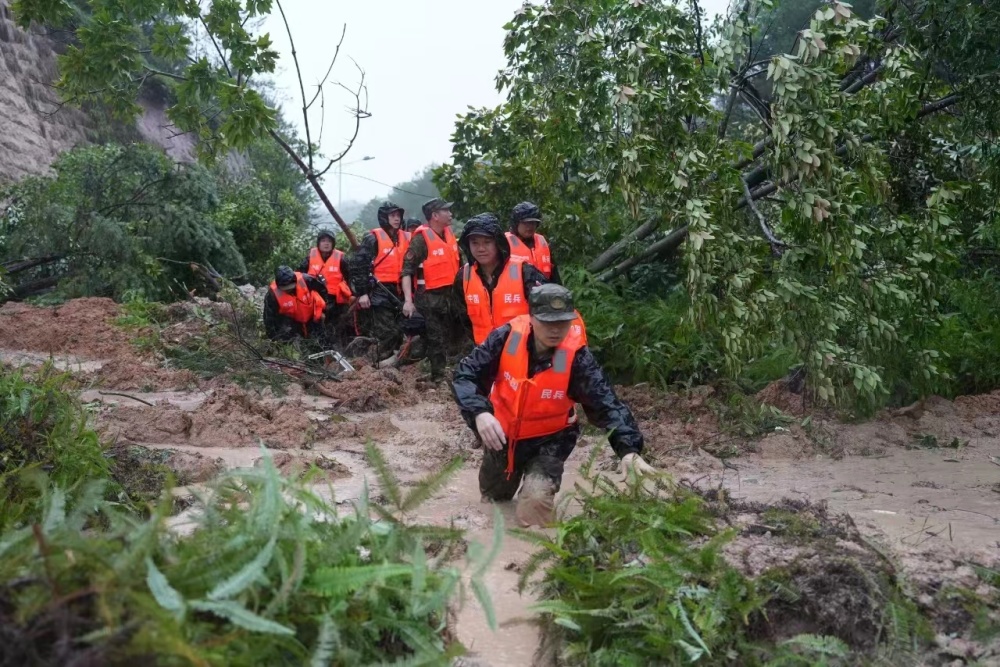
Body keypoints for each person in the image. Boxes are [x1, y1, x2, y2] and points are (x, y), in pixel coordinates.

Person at [451, 284, 653, 527]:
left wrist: (628, 449)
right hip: (502, 437)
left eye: (562, 322)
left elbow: (606, 401)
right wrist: (480, 413)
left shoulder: (578, 357)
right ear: (532, 317)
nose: (556, 329)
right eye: (548, 322)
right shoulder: (504, 337)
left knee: (535, 509)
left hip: (550, 441)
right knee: (494, 501)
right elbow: (465, 374)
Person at [455, 212, 549, 345]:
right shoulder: (463, 277)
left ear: (498, 243)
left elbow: (547, 314)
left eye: (487, 242)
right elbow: (463, 318)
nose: (481, 249)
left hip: (519, 350)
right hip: (484, 352)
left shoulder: (524, 272)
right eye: (475, 243)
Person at [402, 198, 463, 381]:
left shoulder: (450, 234)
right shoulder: (421, 240)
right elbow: (406, 271)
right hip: (430, 298)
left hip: (452, 295)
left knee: (456, 334)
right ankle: (438, 378)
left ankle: (455, 371)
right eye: (446, 211)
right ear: (435, 216)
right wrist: (408, 301)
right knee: (435, 338)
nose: (450, 214)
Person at [349, 202, 408, 358]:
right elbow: (359, 265)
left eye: (398, 215)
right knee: (390, 332)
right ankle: (373, 360)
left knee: (402, 328)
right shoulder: (372, 238)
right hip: (379, 290)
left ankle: (393, 359)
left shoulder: (405, 237)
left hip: (401, 289)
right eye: (392, 215)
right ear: (384, 217)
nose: (397, 219)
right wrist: (362, 293)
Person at [299, 229, 352, 343]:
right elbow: (299, 276)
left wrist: (353, 294)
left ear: (333, 243)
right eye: (323, 240)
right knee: (314, 327)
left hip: (335, 301)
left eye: (329, 241)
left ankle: (336, 347)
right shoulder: (309, 258)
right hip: (314, 299)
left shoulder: (341, 258)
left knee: (335, 328)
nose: (326, 243)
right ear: (318, 243)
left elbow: (350, 277)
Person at [263, 266, 328, 343]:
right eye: (285, 289)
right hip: (291, 323)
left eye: (290, 287)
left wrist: (323, 310)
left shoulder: (306, 280)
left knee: (323, 340)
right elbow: (269, 319)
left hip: (312, 317)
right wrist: (274, 339)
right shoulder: (272, 295)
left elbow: (323, 290)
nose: (288, 290)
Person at [506, 202, 560, 283]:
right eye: (525, 223)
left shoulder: (543, 243)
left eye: (532, 223)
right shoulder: (505, 244)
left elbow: (555, 277)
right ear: (516, 223)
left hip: (543, 292)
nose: (529, 227)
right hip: (517, 292)